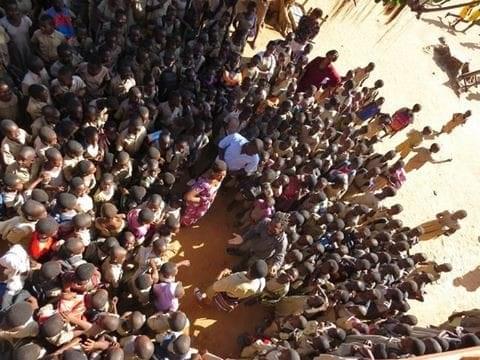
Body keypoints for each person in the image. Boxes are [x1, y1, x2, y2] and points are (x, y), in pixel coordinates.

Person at [194, 259, 268, 312]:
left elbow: (215, 286)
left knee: (211, 289)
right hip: (236, 298)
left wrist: (222, 273)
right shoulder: (261, 282)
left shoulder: (233, 281)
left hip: (226, 296)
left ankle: (204, 302)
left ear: (250, 267)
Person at [181, 160, 227, 226]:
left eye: (224, 175)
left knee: (196, 216)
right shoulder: (203, 183)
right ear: (213, 173)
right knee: (186, 220)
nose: (222, 178)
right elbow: (187, 197)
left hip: (203, 206)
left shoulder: (219, 179)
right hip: (194, 207)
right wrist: (203, 199)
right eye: (219, 175)